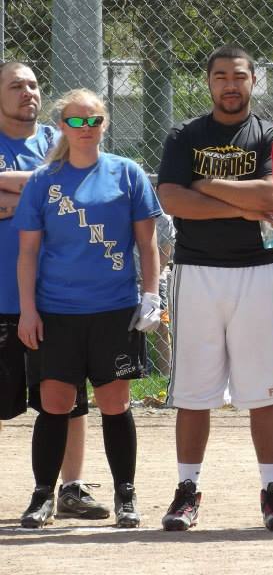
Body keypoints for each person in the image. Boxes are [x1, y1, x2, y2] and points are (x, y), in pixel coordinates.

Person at [156, 45, 273, 532]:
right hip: (197, 273)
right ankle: (187, 490)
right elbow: (171, 197)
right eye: (220, 76)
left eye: (239, 76)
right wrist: (241, 204)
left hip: (259, 271)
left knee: (265, 391)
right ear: (209, 82)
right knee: (194, 392)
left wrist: (205, 183)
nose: (229, 84)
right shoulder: (184, 135)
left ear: (254, 80)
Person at [14, 88, 161, 529]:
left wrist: (151, 297)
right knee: (55, 402)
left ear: (104, 124)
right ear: (62, 126)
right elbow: (27, 253)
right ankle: (43, 496)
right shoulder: (44, 180)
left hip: (114, 307)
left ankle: (126, 496)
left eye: (93, 120)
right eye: (75, 121)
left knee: (114, 401)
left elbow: (147, 242)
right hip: (57, 310)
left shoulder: (126, 173)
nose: (85, 129)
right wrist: (28, 310)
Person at [0, 62, 110, 526]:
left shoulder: (57, 138)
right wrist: (44, 190)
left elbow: (76, 186)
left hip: (58, 299)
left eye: (33, 84)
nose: (28, 92)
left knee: (67, 399)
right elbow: (53, 187)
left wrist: (14, 197)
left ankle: (71, 489)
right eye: (15, 85)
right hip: (4, 296)